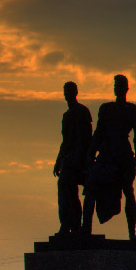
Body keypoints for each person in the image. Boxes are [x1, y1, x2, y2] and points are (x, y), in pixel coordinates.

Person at [81, 75, 136, 240]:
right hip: (106, 156)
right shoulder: (106, 108)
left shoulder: (132, 109)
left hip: (123, 156)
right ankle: (85, 229)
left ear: (126, 88)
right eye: (115, 85)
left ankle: (132, 232)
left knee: (128, 191)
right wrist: (90, 154)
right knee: (91, 187)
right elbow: (98, 133)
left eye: (120, 85)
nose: (117, 88)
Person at [53, 82, 92, 235]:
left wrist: (78, 159)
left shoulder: (82, 111)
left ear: (76, 92)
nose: (67, 94)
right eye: (65, 91)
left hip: (80, 160)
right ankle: (68, 224)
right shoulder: (66, 116)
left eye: (70, 90)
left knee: (65, 182)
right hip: (69, 161)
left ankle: (71, 224)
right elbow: (65, 141)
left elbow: (85, 138)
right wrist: (58, 161)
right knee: (65, 187)